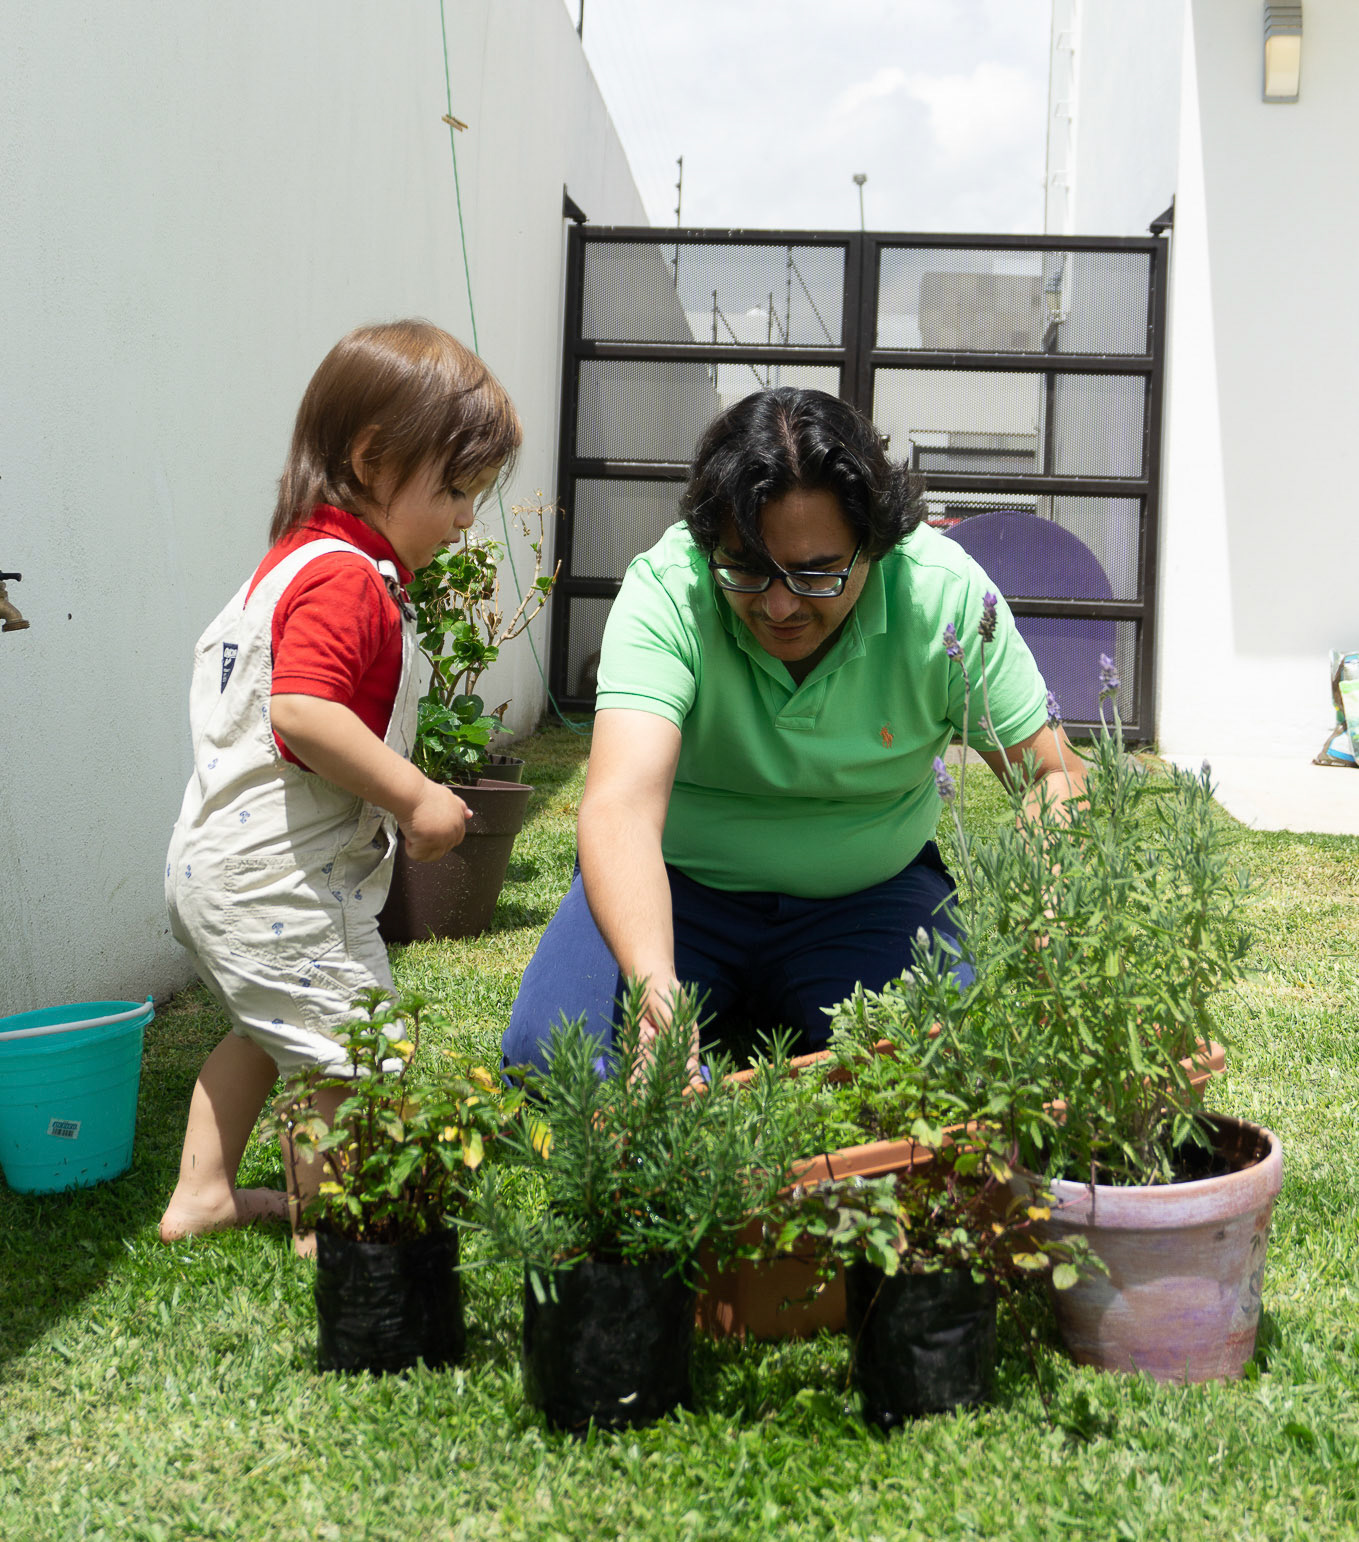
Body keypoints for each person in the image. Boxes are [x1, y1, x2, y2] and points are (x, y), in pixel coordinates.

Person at [504, 386, 1081, 1073]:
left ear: (875, 544)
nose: (779, 605)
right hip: (678, 890)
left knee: (948, 1065)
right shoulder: (669, 588)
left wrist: (1046, 910)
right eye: (746, 567)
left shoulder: (943, 594)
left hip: (870, 899)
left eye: (816, 573)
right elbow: (619, 805)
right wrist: (654, 982)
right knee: (553, 1057)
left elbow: (1053, 771)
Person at [160, 320, 521, 1244]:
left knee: (270, 1025)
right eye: (455, 489)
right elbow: (304, 715)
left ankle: (202, 1197)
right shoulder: (348, 580)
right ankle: (342, 1227)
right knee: (353, 1049)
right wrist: (415, 794)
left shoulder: (286, 566)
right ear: (372, 458)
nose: (466, 518)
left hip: (227, 870)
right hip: (276, 878)